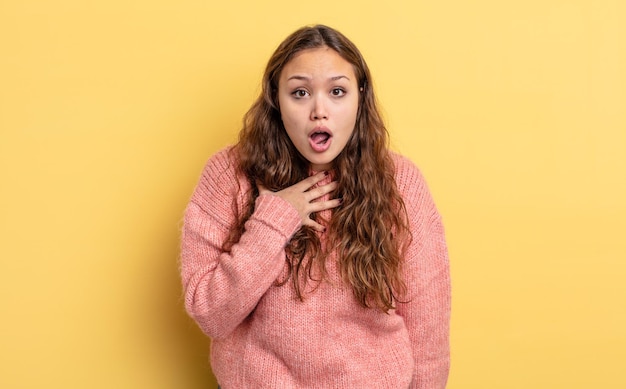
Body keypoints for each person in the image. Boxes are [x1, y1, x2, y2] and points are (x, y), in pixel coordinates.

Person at [180, 24, 450, 388]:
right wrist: (275, 220)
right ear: (276, 100)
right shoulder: (229, 175)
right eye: (300, 92)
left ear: (360, 98)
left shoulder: (400, 182)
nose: (319, 111)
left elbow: (427, 326)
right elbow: (212, 314)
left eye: (337, 91)